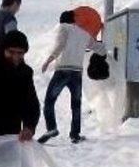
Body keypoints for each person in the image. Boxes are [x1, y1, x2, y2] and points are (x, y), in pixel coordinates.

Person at [38, 10, 107, 144]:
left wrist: (49, 60)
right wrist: (105, 46)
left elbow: (60, 45)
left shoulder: (63, 28)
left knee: (49, 100)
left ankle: (51, 128)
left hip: (63, 70)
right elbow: (98, 47)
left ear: (62, 20)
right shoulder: (84, 33)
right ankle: (75, 134)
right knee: (76, 105)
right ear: (73, 20)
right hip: (77, 73)